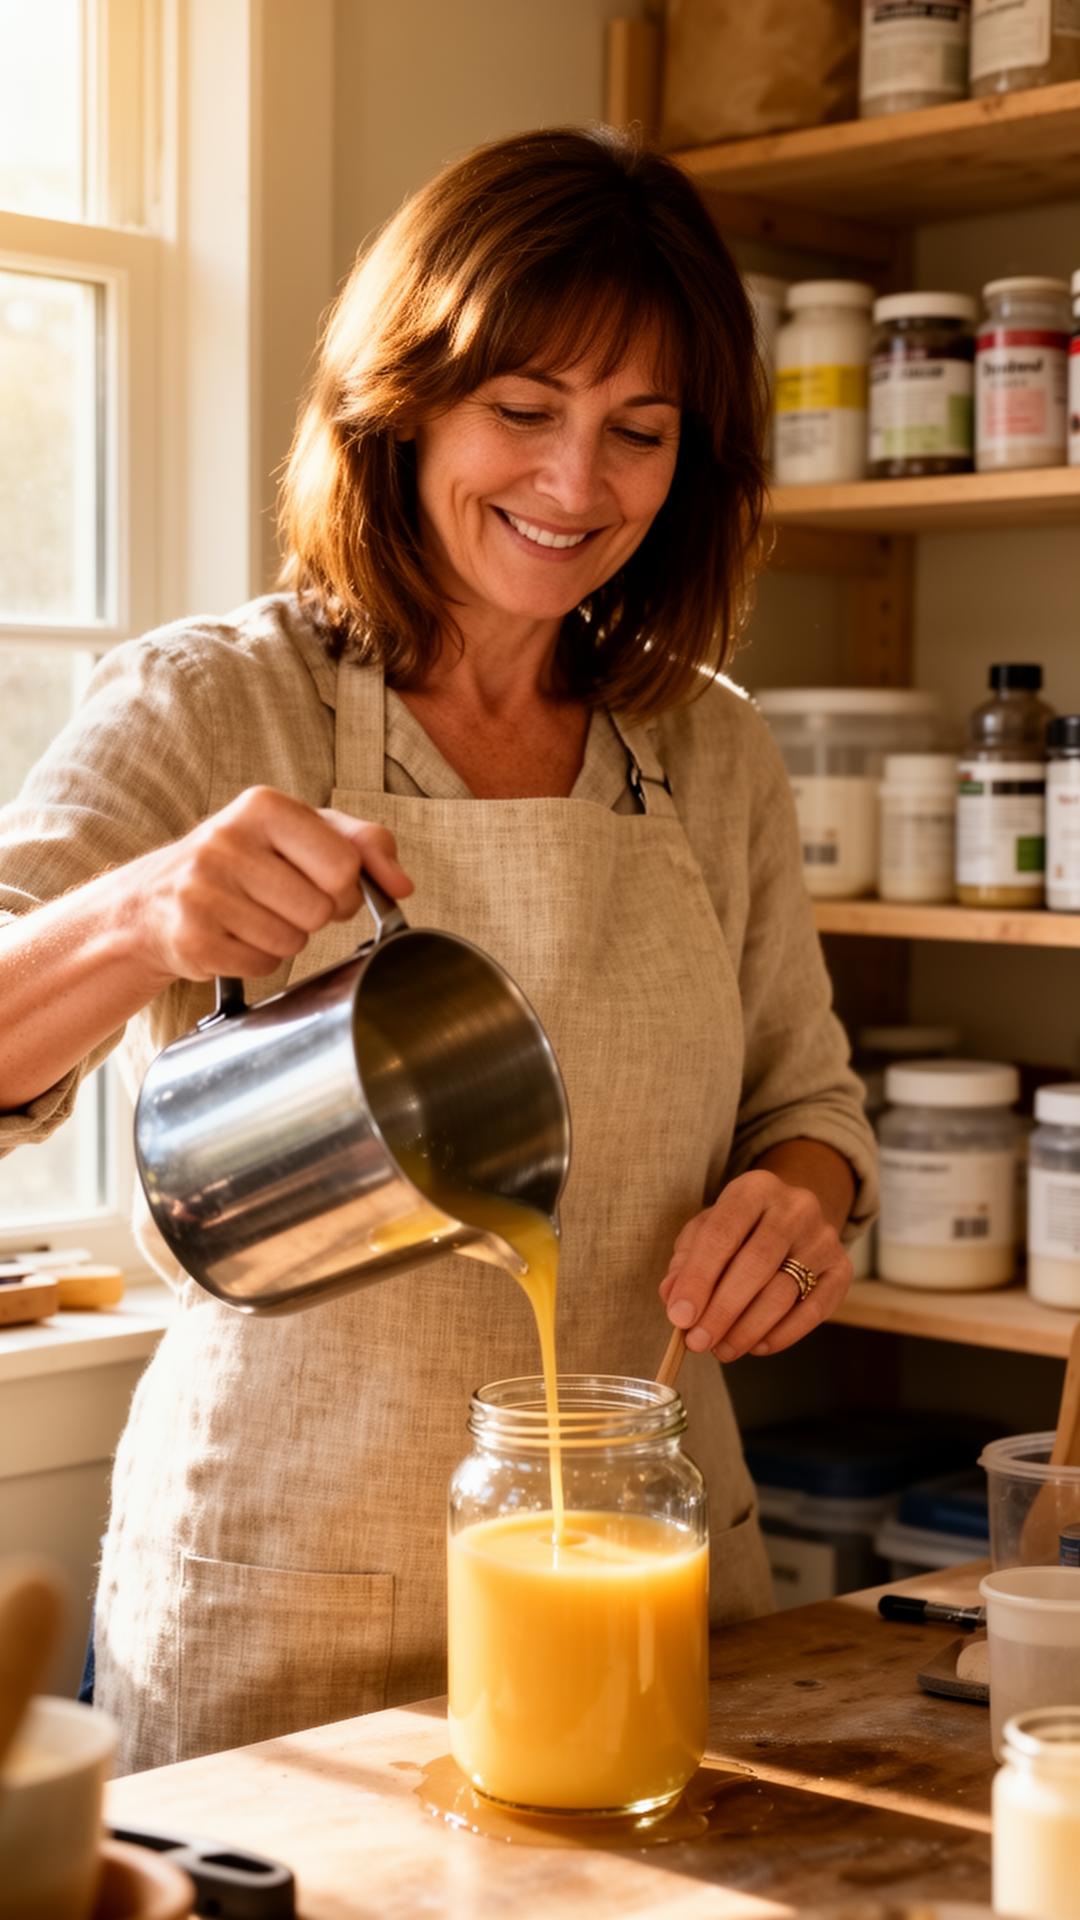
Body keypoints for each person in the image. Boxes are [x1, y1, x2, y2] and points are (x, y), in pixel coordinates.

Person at [0, 125, 876, 1773]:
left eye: (639, 434)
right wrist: (138, 914)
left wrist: (805, 1202)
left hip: (647, 1571)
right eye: (523, 412)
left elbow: (808, 1106)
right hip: (287, 1616)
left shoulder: (710, 749)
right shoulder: (210, 702)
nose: (573, 487)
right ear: (400, 404)